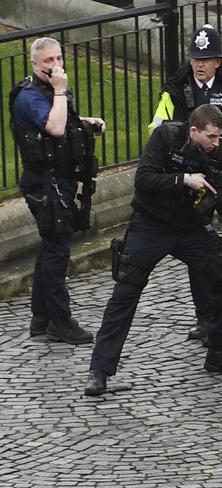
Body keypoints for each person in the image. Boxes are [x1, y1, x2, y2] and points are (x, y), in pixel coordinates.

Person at [84, 104, 222, 396]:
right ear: (194, 131)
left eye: (220, 137)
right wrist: (184, 179)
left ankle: (218, 351)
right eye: (211, 137)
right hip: (150, 224)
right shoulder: (165, 138)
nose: (217, 143)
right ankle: (99, 371)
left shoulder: (219, 148)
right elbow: (143, 179)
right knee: (125, 292)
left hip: (190, 226)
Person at [149, 24, 222, 337]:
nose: (199, 64)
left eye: (206, 58)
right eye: (195, 58)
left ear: (218, 61)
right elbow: (158, 130)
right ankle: (205, 319)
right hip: (194, 181)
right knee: (197, 249)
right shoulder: (175, 87)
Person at [9, 37, 105, 345]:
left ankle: (41, 318)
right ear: (34, 64)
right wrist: (61, 90)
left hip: (56, 181)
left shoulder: (51, 91)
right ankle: (60, 322)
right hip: (45, 184)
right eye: (48, 61)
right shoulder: (30, 97)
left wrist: (86, 122)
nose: (55, 66)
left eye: (59, 58)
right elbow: (54, 128)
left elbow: (63, 121)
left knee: (50, 248)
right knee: (57, 253)